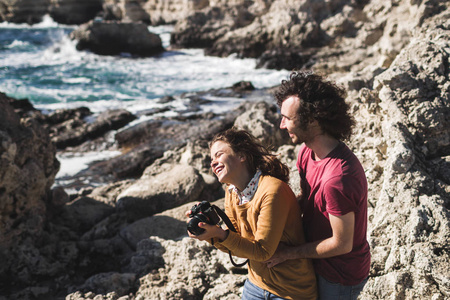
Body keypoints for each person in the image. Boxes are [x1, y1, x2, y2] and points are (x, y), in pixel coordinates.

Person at [265, 71, 371, 300]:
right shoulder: (307, 153)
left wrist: (289, 254)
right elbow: (309, 200)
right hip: (315, 260)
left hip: (340, 276)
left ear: (313, 120)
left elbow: (342, 244)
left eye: (287, 118)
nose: (281, 124)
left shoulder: (338, 179)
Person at [187, 128, 317, 300]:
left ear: (242, 156)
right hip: (256, 283)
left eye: (219, 155)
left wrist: (219, 234)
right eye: (212, 159)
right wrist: (209, 233)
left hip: (290, 289)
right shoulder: (232, 192)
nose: (213, 163)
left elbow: (263, 251)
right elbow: (240, 245)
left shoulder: (272, 190)